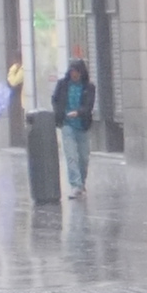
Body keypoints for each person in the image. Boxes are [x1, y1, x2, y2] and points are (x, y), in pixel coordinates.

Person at [49, 51, 97, 198]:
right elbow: (55, 99)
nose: (74, 74)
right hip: (67, 125)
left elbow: (89, 105)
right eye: (72, 72)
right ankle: (75, 185)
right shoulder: (62, 85)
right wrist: (60, 114)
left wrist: (79, 112)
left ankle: (81, 183)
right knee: (71, 156)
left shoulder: (89, 87)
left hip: (82, 125)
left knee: (83, 157)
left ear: (81, 73)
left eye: (76, 72)